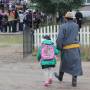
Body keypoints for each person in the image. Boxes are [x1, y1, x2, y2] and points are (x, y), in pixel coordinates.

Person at [54, 12, 83, 87]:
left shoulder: (63, 26)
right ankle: (74, 81)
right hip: (76, 47)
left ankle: (60, 77)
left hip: (66, 48)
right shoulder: (76, 26)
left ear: (65, 18)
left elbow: (60, 38)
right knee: (76, 64)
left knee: (63, 63)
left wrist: (59, 47)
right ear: (73, 18)